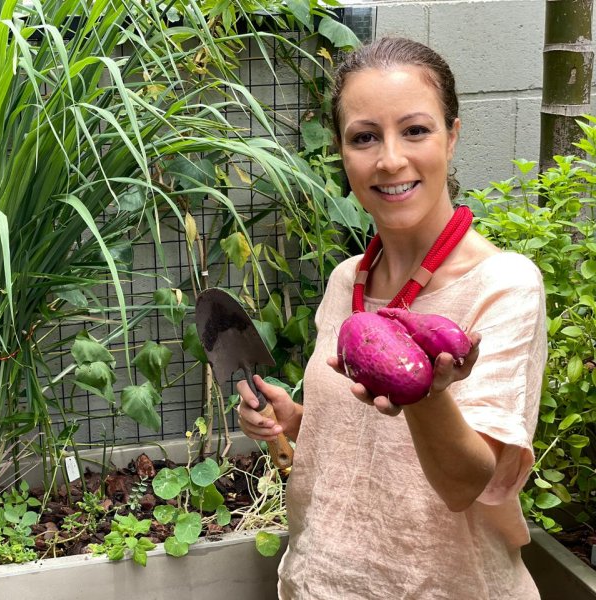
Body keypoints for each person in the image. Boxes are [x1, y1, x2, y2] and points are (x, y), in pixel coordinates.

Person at [237, 37, 546, 599]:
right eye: (364, 137)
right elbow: (365, 444)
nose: (390, 159)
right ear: (341, 151)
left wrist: (427, 395)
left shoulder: (503, 286)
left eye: (415, 130)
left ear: (452, 136)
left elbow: (464, 484)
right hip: (320, 582)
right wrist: (299, 420)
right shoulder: (344, 281)